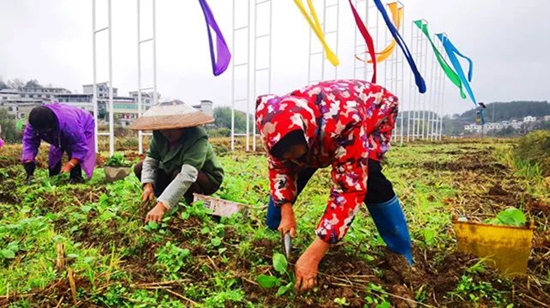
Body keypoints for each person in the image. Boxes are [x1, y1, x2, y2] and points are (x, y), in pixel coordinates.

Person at [256, 79, 413, 292]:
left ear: (308, 137)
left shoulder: (346, 123)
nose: (289, 159)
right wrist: (285, 208)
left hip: (373, 113)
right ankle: (274, 231)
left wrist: (314, 253)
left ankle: (401, 252)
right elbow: (280, 167)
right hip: (319, 127)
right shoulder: (277, 123)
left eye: (296, 153)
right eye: (285, 155)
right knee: (296, 167)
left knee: (371, 177)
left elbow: (348, 189)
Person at [129, 99, 224, 224]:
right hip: (173, 170)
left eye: (173, 128)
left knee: (178, 173)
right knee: (139, 167)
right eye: (164, 128)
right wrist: (148, 184)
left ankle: (198, 208)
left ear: (183, 125)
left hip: (205, 177)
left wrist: (163, 205)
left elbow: (188, 174)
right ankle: (169, 199)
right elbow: (151, 160)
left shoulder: (197, 137)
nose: (168, 132)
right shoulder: (159, 135)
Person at [21, 103, 96, 184]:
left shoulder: (71, 125)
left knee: (72, 149)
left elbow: (80, 147)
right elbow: (29, 142)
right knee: (54, 152)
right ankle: (54, 176)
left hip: (84, 122)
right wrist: (28, 159)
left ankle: (76, 177)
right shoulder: (34, 123)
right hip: (60, 124)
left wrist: (69, 165)